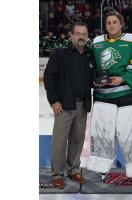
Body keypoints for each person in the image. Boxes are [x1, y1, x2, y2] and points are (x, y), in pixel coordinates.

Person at [86, 11, 132, 180]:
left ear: (121, 24)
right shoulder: (97, 42)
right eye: (108, 22)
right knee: (102, 133)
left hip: (128, 95)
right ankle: (101, 167)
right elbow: (89, 66)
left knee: (130, 132)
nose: (111, 25)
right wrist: (94, 80)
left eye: (115, 22)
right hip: (103, 96)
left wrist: (123, 78)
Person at [43, 21, 94, 189]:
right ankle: (57, 174)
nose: (81, 36)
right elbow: (49, 78)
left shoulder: (89, 55)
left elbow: (92, 79)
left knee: (77, 140)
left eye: (84, 34)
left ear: (87, 37)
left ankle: (73, 170)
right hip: (64, 105)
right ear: (71, 35)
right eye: (78, 33)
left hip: (82, 105)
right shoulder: (60, 54)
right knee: (59, 142)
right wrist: (54, 101)